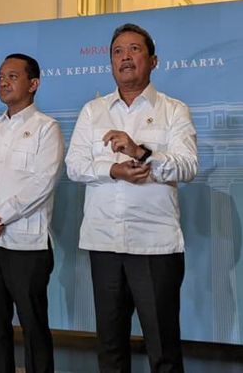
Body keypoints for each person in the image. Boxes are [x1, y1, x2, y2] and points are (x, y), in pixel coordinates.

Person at [64, 24, 198, 373]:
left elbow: (187, 166)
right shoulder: (93, 111)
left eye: (134, 49)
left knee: (162, 347)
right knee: (110, 346)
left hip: (154, 245)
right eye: (117, 51)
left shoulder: (174, 110)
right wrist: (114, 170)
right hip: (104, 241)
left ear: (153, 60)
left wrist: (142, 152)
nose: (125, 57)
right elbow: (74, 166)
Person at [0, 54, 63, 373]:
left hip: (27, 245)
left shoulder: (47, 128)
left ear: (33, 84)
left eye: (12, 76)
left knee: (34, 329)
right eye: (0, 77)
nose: (3, 82)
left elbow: (42, 183)